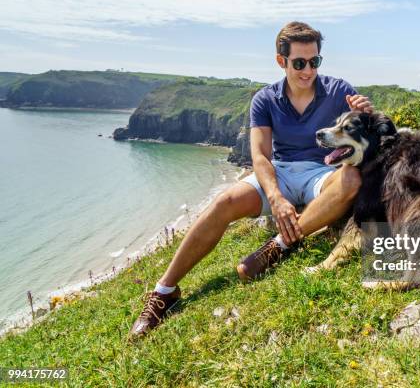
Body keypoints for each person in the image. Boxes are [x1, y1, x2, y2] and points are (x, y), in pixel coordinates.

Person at [129, 21, 373, 339]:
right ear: (281, 61)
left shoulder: (340, 90)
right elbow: (260, 156)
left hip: (322, 172)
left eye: (315, 61)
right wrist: (275, 198)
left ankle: (279, 245)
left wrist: (367, 113)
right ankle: (164, 293)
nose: (308, 70)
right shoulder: (265, 99)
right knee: (223, 203)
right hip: (281, 171)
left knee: (351, 180)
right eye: (300, 63)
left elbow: (363, 135)